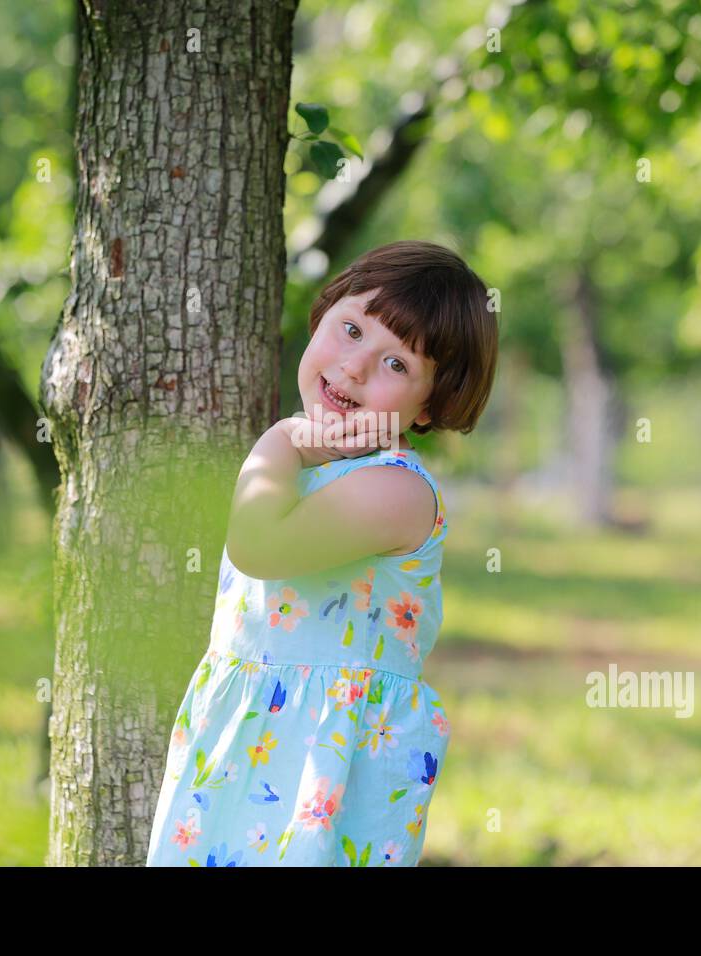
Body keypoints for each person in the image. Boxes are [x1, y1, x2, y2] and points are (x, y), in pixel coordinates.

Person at [145, 240, 499, 866]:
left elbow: (258, 545)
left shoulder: (397, 490)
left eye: (397, 365)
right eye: (352, 328)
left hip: (322, 768)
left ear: (433, 404)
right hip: (242, 747)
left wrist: (282, 438)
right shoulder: (307, 467)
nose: (356, 367)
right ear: (325, 311)